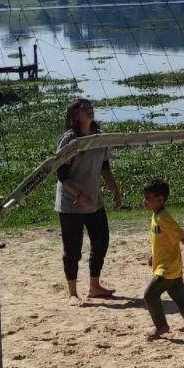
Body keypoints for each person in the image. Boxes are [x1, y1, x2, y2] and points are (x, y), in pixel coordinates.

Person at [55, 98, 123, 301]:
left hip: (94, 200)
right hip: (70, 202)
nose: (89, 110)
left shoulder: (99, 137)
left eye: (89, 107)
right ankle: (73, 293)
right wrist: (79, 195)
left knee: (101, 241)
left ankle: (94, 286)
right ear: (74, 116)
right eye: (83, 108)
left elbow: (105, 167)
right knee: (72, 249)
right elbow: (62, 175)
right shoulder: (69, 140)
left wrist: (115, 190)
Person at [142, 178, 184, 340]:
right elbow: (162, 240)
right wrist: (153, 255)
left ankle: (161, 326)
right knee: (179, 295)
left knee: (150, 295)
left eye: (148, 199)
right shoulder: (156, 216)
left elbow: (181, 235)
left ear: (160, 200)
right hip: (171, 264)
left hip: (167, 267)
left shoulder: (164, 217)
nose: (145, 202)